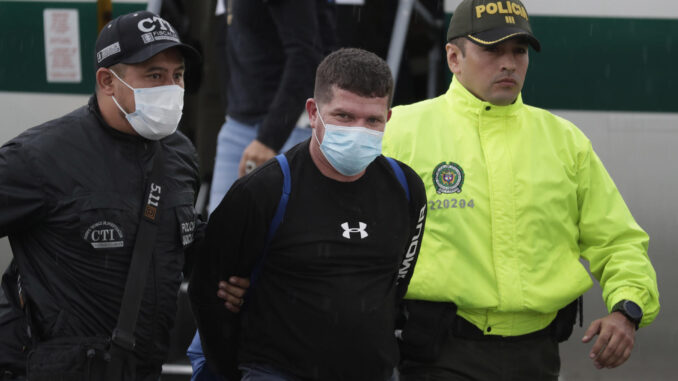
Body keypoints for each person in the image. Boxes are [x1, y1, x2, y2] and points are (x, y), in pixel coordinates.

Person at [381, 0, 660, 380]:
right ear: (453, 57)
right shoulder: (398, 132)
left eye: (519, 51)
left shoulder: (565, 142)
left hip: (538, 357)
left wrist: (627, 309)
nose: (509, 63)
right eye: (492, 50)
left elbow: (617, 240)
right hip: (437, 354)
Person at [189, 47, 428, 381]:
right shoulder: (263, 191)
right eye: (344, 116)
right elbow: (208, 294)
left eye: (372, 119)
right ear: (313, 112)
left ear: (387, 119)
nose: (359, 129)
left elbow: (395, 284)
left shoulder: (406, 189)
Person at [0, 11, 202, 380]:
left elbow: (179, 244)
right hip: (59, 369)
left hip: (142, 368)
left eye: (178, 76)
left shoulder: (180, 156)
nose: (171, 89)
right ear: (108, 81)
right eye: (154, 75)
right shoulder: (41, 156)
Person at [207, 0, 337, 213]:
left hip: (291, 127)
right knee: (219, 237)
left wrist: (269, 138)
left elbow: (306, 57)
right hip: (239, 124)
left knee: (290, 236)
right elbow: (225, 40)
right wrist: (233, 106)